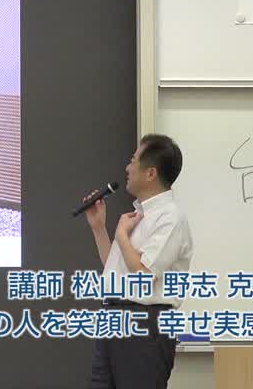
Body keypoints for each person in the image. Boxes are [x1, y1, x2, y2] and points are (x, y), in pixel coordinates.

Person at [84, 133, 193, 389]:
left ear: (151, 173)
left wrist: (122, 236)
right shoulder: (138, 215)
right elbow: (117, 272)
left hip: (144, 324)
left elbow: (143, 277)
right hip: (113, 318)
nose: (127, 168)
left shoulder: (170, 218)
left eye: (133, 160)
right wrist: (99, 228)